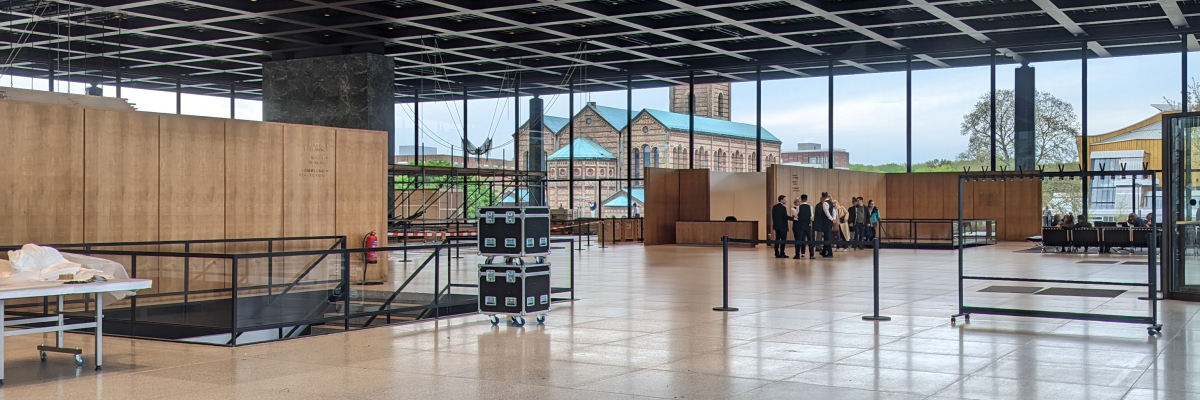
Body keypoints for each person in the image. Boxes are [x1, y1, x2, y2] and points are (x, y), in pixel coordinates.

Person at [814, 192, 835, 258]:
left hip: (826, 222)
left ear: (822, 197)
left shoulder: (825, 203)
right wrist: (833, 218)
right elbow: (834, 211)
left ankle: (830, 253)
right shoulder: (831, 203)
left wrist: (831, 219)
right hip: (830, 222)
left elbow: (827, 212)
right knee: (826, 237)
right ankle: (824, 252)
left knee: (827, 237)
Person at [793, 195, 813, 259]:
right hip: (808, 225)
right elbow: (812, 216)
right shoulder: (810, 207)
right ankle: (811, 254)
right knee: (810, 240)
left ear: (801, 199)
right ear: (807, 199)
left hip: (800, 226)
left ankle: (797, 254)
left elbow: (796, 215)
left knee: (799, 240)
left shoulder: (799, 207)